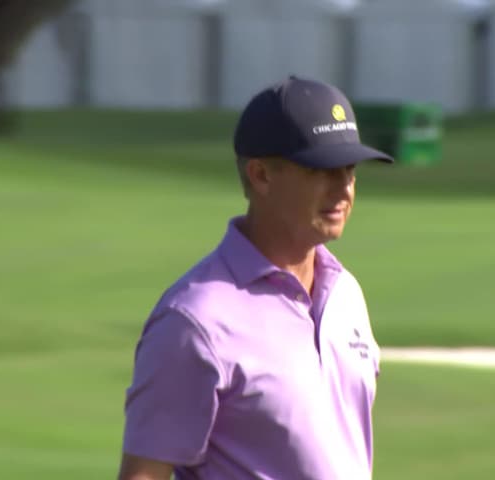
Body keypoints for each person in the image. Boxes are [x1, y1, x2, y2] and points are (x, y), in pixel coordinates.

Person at [118, 76, 394, 480]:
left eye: (349, 169)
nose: (344, 188)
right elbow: (144, 474)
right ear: (261, 176)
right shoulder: (195, 321)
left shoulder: (345, 293)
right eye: (323, 170)